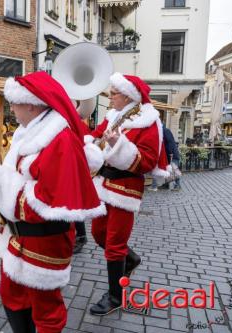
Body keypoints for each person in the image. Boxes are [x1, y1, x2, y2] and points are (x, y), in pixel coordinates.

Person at [0, 71, 105, 332]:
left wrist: (1, 186)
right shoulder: (28, 131)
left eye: (14, 102)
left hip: (45, 240)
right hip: (19, 235)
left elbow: (47, 201)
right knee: (12, 297)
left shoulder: (59, 138)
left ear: (30, 103)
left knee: (46, 311)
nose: (11, 108)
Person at [83, 73, 170, 316]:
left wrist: (118, 145)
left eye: (113, 93)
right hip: (104, 184)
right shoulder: (114, 116)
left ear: (128, 95)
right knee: (99, 234)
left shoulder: (148, 122)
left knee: (114, 244)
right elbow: (94, 134)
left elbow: (148, 160)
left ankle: (115, 296)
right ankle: (129, 259)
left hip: (125, 189)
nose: (109, 97)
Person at [149, 124, 181, 191]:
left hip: (172, 154)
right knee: (167, 170)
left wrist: (170, 153)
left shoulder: (165, 131)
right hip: (168, 155)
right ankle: (166, 185)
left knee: (174, 170)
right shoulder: (162, 131)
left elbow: (170, 143)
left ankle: (178, 186)